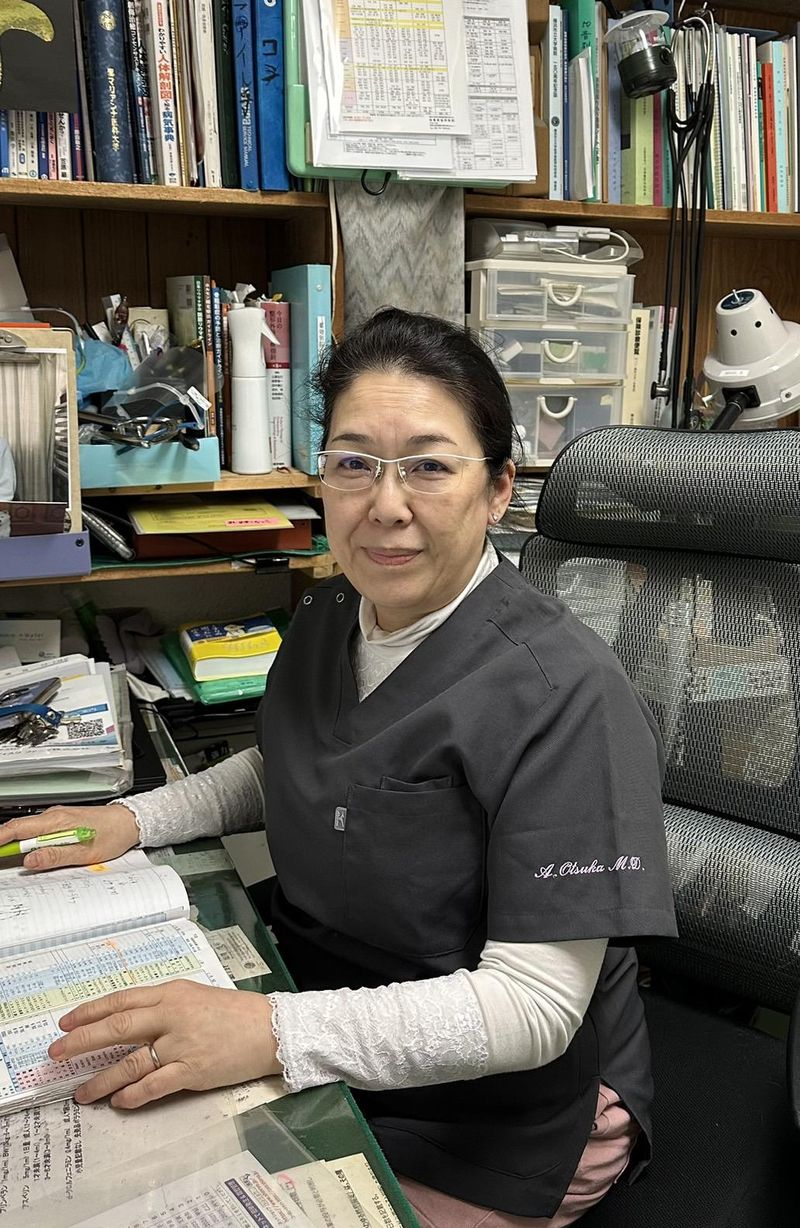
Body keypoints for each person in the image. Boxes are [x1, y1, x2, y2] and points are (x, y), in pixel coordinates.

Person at [0, 309, 677, 1228]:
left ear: (497, 490)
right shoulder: (330, 614)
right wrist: (135, 820)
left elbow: (532, 1009)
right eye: (354, 463)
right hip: (322, 1016)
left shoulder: (566, 693)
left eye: (429, 466)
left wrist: (267, 1032)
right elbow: (295, 762)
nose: (384, 505)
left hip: (501, 1114)